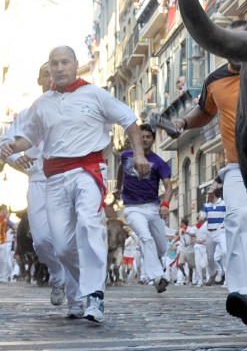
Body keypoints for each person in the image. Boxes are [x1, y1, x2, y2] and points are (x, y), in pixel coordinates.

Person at [0, 46, 150, 323]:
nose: (59, 68)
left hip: (87, 170)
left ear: (74, 65)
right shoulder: (42, 104)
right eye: (54, 63)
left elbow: (129, 120)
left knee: (89, 224)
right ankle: (86, 283)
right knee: (61, 247)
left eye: (64, 62)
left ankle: (94, 295)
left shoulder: (95, 94)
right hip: (53, 178)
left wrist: (139, 153)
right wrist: (12, 146)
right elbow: (28, 137)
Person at [172, 20, 247, 326]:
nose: (237, 48)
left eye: (243, 41)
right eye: (230, 42)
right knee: (239, 218)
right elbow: (204, 111)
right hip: (237, 165)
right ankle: (245, 293)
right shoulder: (215, 80)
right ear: (222, 45)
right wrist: (184, 123)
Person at [1, 63, 68, 305]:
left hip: (67, 179)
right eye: (45, 75)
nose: (51, 78)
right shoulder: (27, 114)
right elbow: (5, 144)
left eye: (55, 73)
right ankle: (57, 275)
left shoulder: (72, 109)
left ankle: (80, 293)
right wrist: (16, 158)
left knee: (69, 237)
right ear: (39, 80)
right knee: (41, 240)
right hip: (39, 181)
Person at [114, 123, 172, 294]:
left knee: (161, 247)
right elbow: (120, 171)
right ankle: (157, 278)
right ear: (136, 138)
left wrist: (165, 205)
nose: (145, 139)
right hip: (132, 208)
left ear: (153, 140)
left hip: (153, 207)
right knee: (145, 238)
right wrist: (118, 188)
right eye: (142, 136)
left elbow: (168, 187)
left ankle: (157, 266)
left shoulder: (159, 163)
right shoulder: (126, 156)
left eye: (148, 137)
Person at [199, 180, 227, 286]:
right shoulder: (207, 206)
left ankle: (227, 279)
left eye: (209, 193)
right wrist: (202, 215)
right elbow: (201, 219)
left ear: (214, 193)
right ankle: (213, 273)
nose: (208, 195)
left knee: (225, 252)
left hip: (221, 232)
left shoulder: (224, 204)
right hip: (210, 233)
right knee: (210, 257)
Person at [176, 218, 197, 285]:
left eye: (181, 222)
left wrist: (186, 233)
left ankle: (190, 280)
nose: (180, 224)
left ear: (184, 223)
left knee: (191, 267)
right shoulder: (180, 230)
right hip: (183, 249)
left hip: (190, 250)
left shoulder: (190, 229)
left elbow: (194, 235)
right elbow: (179, 237)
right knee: (179, 264)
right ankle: (184, 275)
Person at [0, 204, 15, 283]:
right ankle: (2, 276)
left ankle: (2, 276)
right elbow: (14, 226)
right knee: (3, 260)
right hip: (3, 242)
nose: (7, 211)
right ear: (3, 210)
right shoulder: (5, 219)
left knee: (3, 260)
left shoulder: (5, 219)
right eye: (5, 210)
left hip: (3, 241)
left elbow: (13, 225)